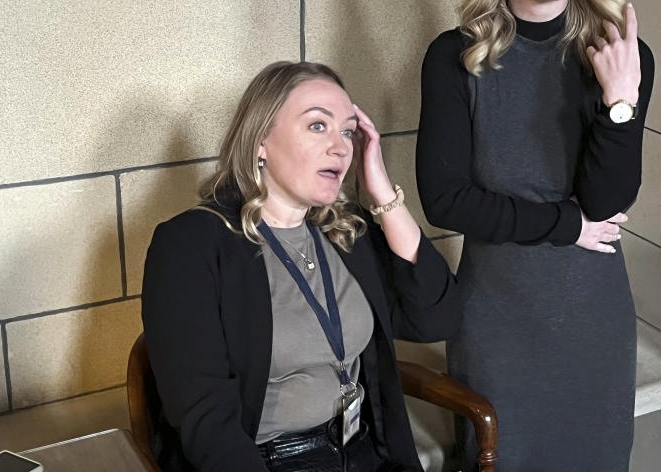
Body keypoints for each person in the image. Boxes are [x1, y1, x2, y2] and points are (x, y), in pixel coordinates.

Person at [416, 0, 654, 471]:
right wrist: (564, 225)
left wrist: (620, 102)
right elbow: (446, 200)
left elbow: (606, 203)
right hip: (498, 316)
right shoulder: (455, 58)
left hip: (594, 317)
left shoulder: (621, 54)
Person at [142, 61, 460, 472]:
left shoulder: (344, 231)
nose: (340, 146)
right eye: (317, 126)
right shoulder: (192, 245)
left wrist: (382, 188)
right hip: (271, 461)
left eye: (348, 131)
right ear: (260, 141)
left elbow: (438, 317)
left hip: (364, 450)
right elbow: (207, 423)